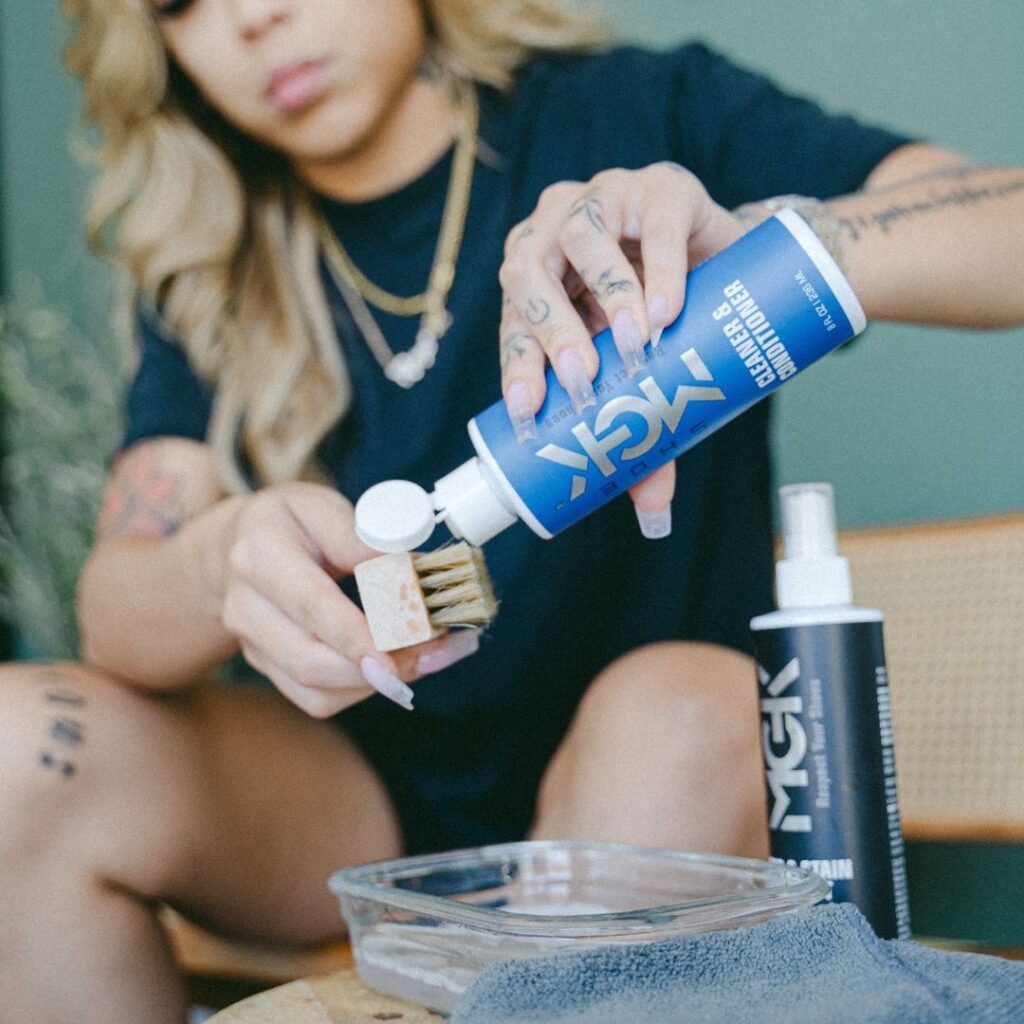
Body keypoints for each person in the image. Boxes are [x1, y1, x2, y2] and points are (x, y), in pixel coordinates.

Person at [1, 0, 1021, 1020]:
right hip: (347, 809)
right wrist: (218, 557)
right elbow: (115, 618)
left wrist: (795, 247)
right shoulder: (216, 250)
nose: (255, 16)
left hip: (663, 784)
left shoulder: (642, 117)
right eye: (181, 1)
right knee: (23, 741)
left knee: (677, 712)